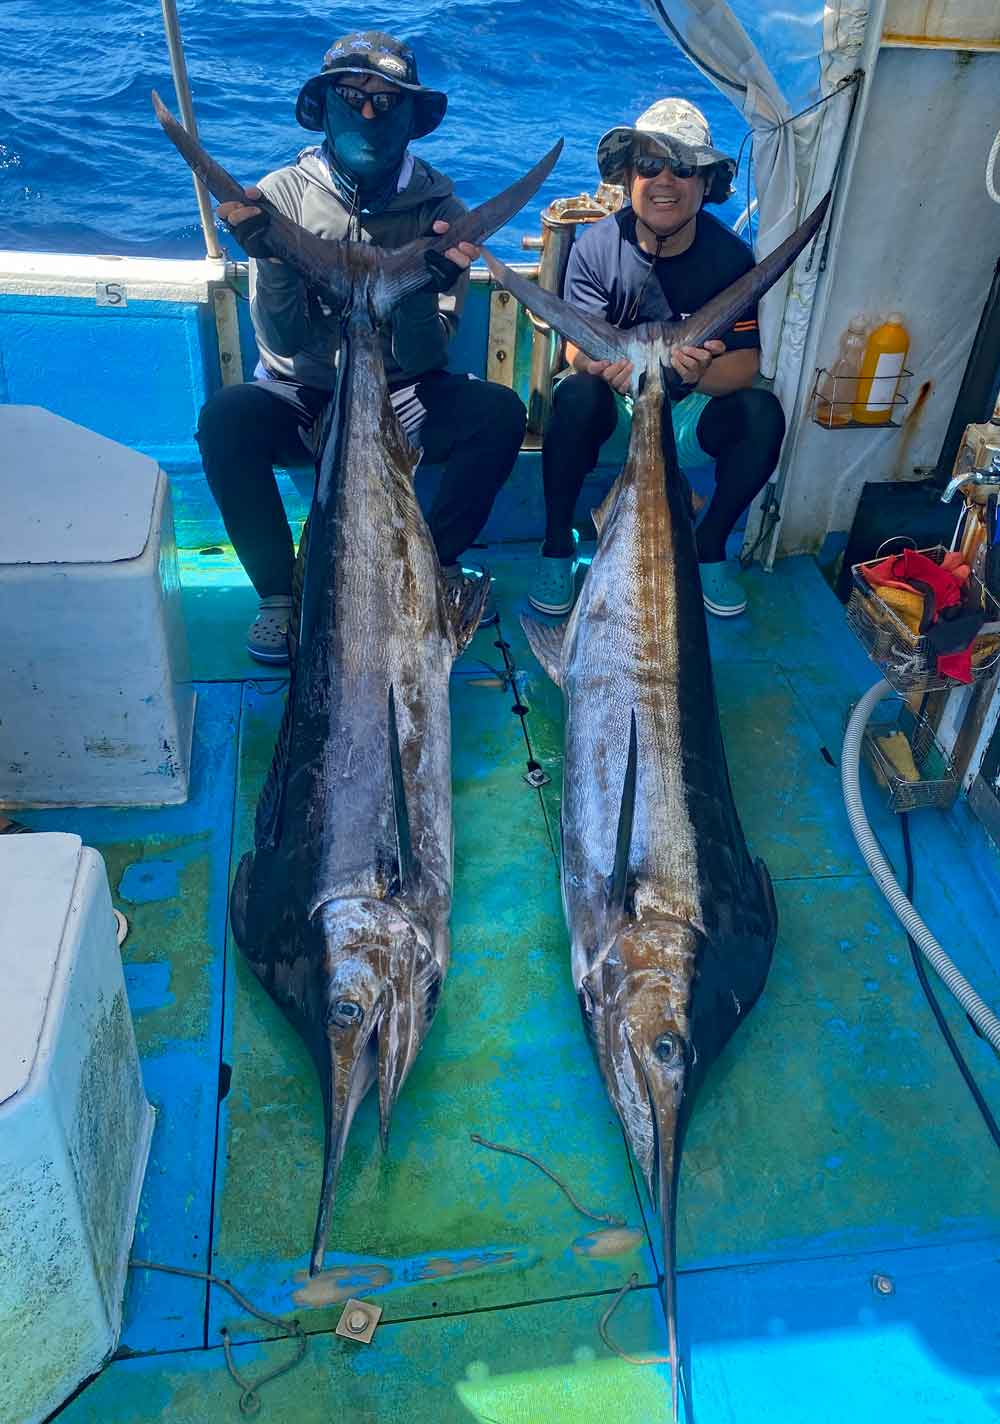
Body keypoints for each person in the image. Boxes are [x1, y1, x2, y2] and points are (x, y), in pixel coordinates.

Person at [197, 31, 527, 663]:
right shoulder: (281, 197)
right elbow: (283, 339)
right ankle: (278, 596)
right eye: (354, 97)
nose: (370, 115)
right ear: (326, 105)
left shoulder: (441, 210)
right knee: (224, 420)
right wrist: (277, 261)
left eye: (388, 101)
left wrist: (414, 293)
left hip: (404, 394)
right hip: (304, 393)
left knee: (499, 413)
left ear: (411, 115)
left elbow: (428, 357)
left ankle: (432, 568)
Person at [529, 99, 786, 619]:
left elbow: (744, 366)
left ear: (706, 183)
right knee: (576, 396)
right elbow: (576, 349)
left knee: (763, 416)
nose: (665, 180)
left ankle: (710, 546)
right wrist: (603, 368)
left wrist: (696, 373)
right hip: (620, 407)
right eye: (649, 165)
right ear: (628, 176)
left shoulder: (732, 258)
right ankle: (557, 543)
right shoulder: (597, 246)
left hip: (689, 409)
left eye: (684, 167)